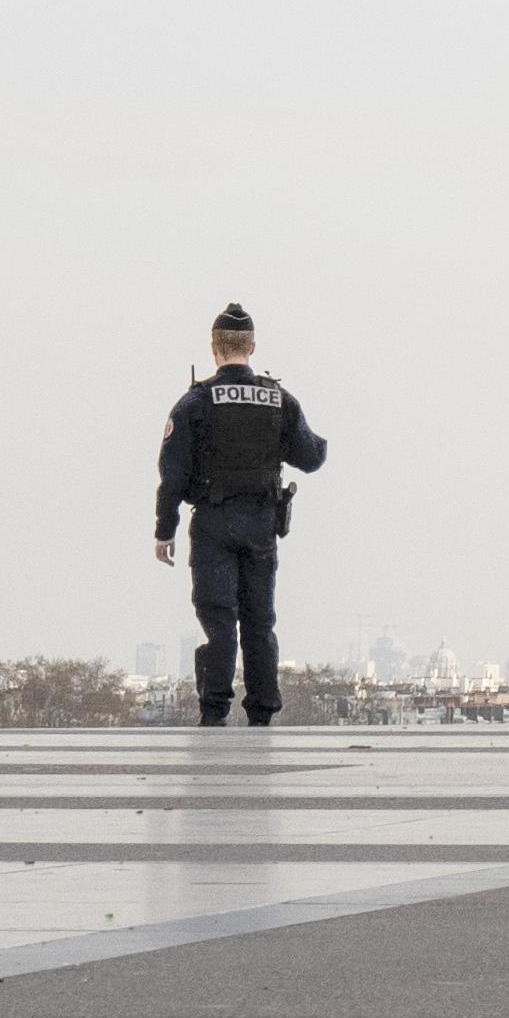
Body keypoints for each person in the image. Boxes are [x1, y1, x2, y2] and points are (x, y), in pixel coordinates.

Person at [155, 303, 329, 726]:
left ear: (214, 347)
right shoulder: (278, 400)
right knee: (259, 621)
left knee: (218, 620)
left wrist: (165, 530)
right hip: (260, 525)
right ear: (252, 346)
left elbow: (173, 473)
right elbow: (312, 456)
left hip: (213, 523)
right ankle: (262, 714)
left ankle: (213, 712)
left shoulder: (195, 401)